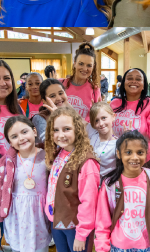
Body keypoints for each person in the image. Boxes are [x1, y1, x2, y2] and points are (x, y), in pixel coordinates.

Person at [87, 131, 150, 252]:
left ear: (146, 154)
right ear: (118, 154)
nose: (134, 157)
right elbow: (102, 221)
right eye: (128, 152)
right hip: (117, 246)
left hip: (146, 246)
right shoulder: (109, 184)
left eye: (140, 152)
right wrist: (102, 247)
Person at [44, 107, 104, 252]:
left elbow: (89, 202)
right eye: (56, 130)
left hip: (76, 227)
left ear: (77, 130)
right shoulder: (60, 153)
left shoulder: (87, 162)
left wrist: (81, 234)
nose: (61, 135)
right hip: (57, 220)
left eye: (66, 129)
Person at [0, 117, 48, 252]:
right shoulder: (6, 162)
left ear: (34, 131)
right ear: (10, 142)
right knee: (17, 248)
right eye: (14, 136)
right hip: (15, 217)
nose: (21, 138)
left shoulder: (48, 156)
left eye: (24, 132)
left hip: (40, 217)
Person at [67, 44, 103, 109]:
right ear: (74, 63)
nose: (84, 69)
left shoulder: (95, 90)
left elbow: (99, 116)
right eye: (81, 64)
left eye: (89, 65)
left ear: (93, 67)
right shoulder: (61, 84)